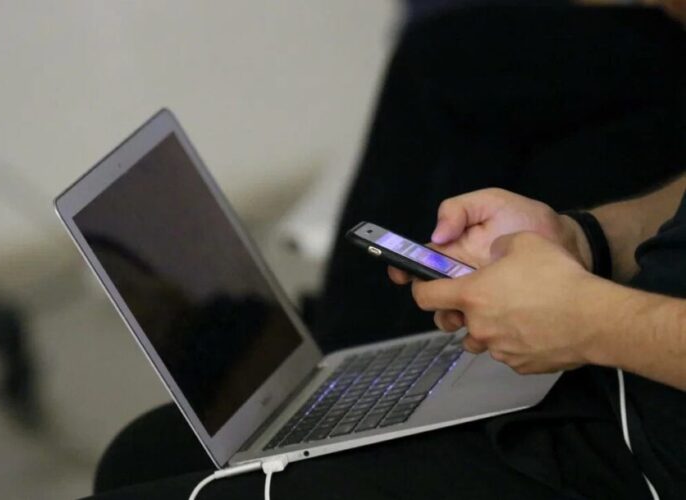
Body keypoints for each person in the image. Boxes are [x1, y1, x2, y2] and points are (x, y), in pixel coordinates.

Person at [90, 3, 686, 499]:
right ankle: (323, 371)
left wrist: (585, 320)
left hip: (639, 459)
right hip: (623, 384)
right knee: (142, 454)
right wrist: (585, 238)